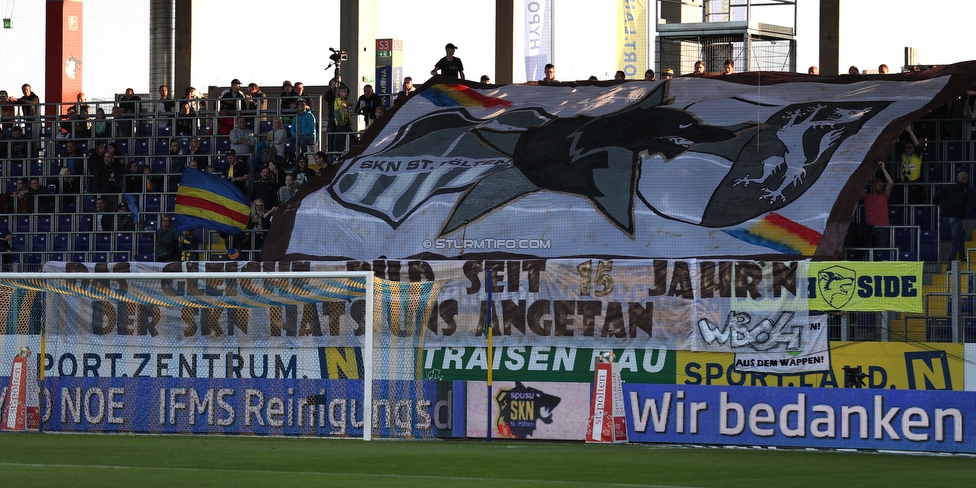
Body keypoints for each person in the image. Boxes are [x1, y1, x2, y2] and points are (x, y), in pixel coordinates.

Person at [933, 172, 976, 262]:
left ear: (957, 179)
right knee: (954, 243)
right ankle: (951, 265)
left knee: (962, 233)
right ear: (967, 180)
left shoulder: (950, 187)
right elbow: (973, 205)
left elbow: (937, 194)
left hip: (946, 218)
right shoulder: (968, 190)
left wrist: (935, 203)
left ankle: (961, 254)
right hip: (956, 218)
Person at [859, 161, 894, 251]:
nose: (881, 186)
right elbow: (857, 187)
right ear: (873, 186)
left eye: (882, 185)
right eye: (879, 185)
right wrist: (865, 169)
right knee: (867, 253)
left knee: (880, 252)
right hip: (869, 229)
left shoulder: (884, 197)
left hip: (882, 228)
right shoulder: (866, 197)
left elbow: (890, 183)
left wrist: (883, 168)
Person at [328, 88, 351, 153]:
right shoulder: (337, 101)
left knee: (346, 137)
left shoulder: (344, 101)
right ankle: (339, 152)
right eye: (343, 92)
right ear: (339, 93)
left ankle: (344, 150)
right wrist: (340, 121)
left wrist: (349, 121)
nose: (345, 94)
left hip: (346, 123)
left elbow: (347, 112)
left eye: (346, 92)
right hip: (341, 124)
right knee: (340, 138)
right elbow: (336, 112)